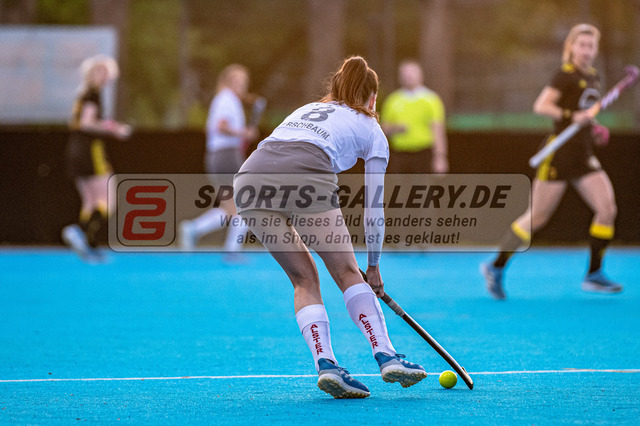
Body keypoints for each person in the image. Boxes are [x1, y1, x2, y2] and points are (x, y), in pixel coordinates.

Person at [232, 56, 427, 399]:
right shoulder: (372, 128)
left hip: (248, 179)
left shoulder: (307, 110)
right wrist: (373, 266)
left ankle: (326, 365)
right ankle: (386, 355)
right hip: (304, 175)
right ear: (373, 98)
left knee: (303, 279)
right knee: (347, 272)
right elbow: (374, 209)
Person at [481, 24, 622, 299]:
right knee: (538, 217)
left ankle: (594, 274)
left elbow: (585, 114)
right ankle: (496, 265)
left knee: (607, 209)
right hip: (559, 153)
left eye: (591, 46)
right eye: (582, 45)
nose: (586, 51)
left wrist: (593, 127)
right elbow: (542, 106)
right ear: (571, 47)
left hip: (583, 154)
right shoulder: (565, 76)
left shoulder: (593, 77)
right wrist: (571, 116)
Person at [179, 64, 259, 260]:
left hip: (221, 155)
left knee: (230, 207)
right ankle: (231, 249)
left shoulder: (226, 100)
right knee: (244, 203)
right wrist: (243, 133)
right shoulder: (226, 99)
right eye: (237, 81)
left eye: (243, 81)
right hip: (226, 156)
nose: (241, 85)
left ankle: (193, 229)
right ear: (227, 81)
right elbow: (221, 126)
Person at [61, 54, 131, 261]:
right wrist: (114, 129)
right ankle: (79, 231)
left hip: (75, 148)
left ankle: (88, 244)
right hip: (89, 150)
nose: (106, 77)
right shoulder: (92, 94)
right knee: (108, 199)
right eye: (102, 72)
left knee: (90, 201)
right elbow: (87, 123)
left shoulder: (83, 94)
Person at [380, 59, 449, 174]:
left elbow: (438, 130)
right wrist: (396, 128)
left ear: (421, 75)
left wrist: (440, 157)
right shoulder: (392, 100)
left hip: (423, 153)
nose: (409, 76)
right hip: (399, 153)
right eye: (405, 73)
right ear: (399, 77)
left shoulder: (431, 100)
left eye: (412, 72)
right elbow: (382, 128)